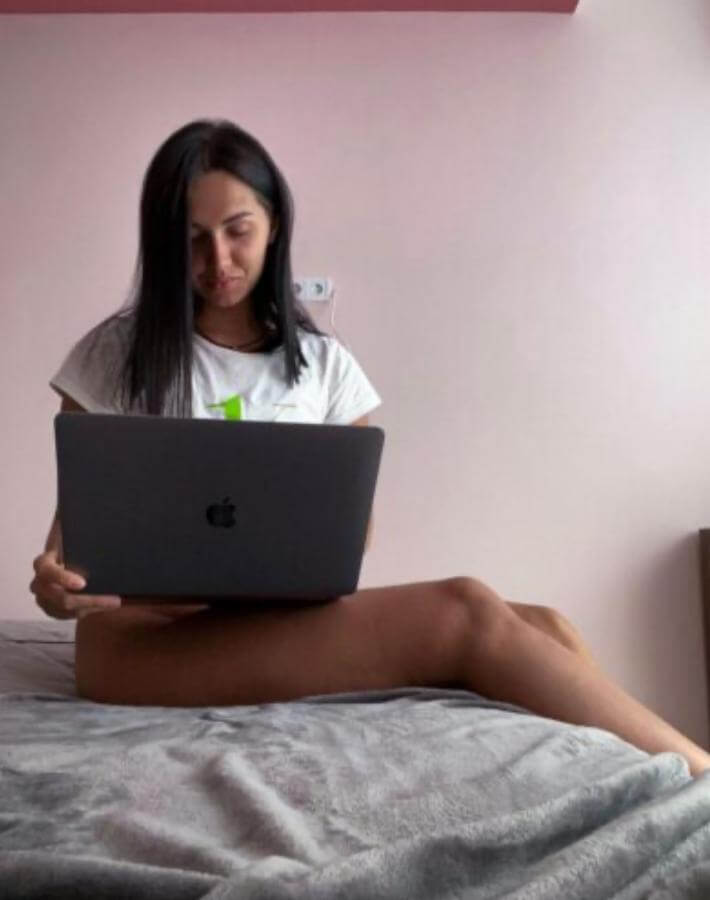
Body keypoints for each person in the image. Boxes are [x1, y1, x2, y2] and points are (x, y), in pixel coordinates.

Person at [30, 119, 710, 777]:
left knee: (546, 626)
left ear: (273, 225)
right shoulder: (114, 355)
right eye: (193, 239)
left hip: (269, 621)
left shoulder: (325, 366)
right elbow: (70, 549)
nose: (220, 261)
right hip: (142, 641)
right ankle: (701, 774)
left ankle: (641, 780)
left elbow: (346, 539)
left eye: (238, 231)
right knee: (465, 609)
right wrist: (58, 591)